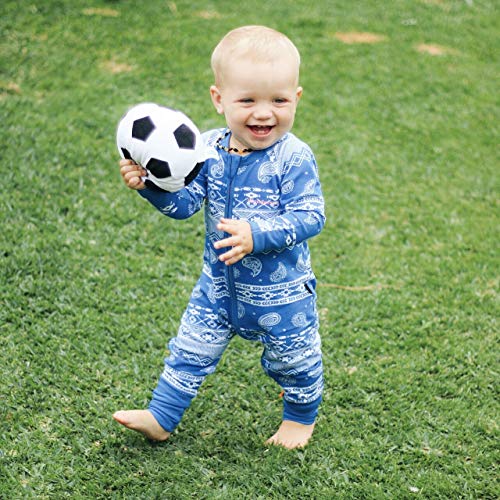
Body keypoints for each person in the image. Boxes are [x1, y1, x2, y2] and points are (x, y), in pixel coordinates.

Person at [113, 25, 325, 449]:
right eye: (247, 100)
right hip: (218, 288)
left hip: (280, 293)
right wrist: (151, 187)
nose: (264, 113)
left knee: (294, 359)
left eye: (278, 101)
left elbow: (311, 215)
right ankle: (162, 416)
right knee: (190, 348)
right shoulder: (205, 149)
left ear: (296, 99)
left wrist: (257, 234)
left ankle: (299, 420)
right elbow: (187, 205)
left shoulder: (293, 157)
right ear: (218, 99)